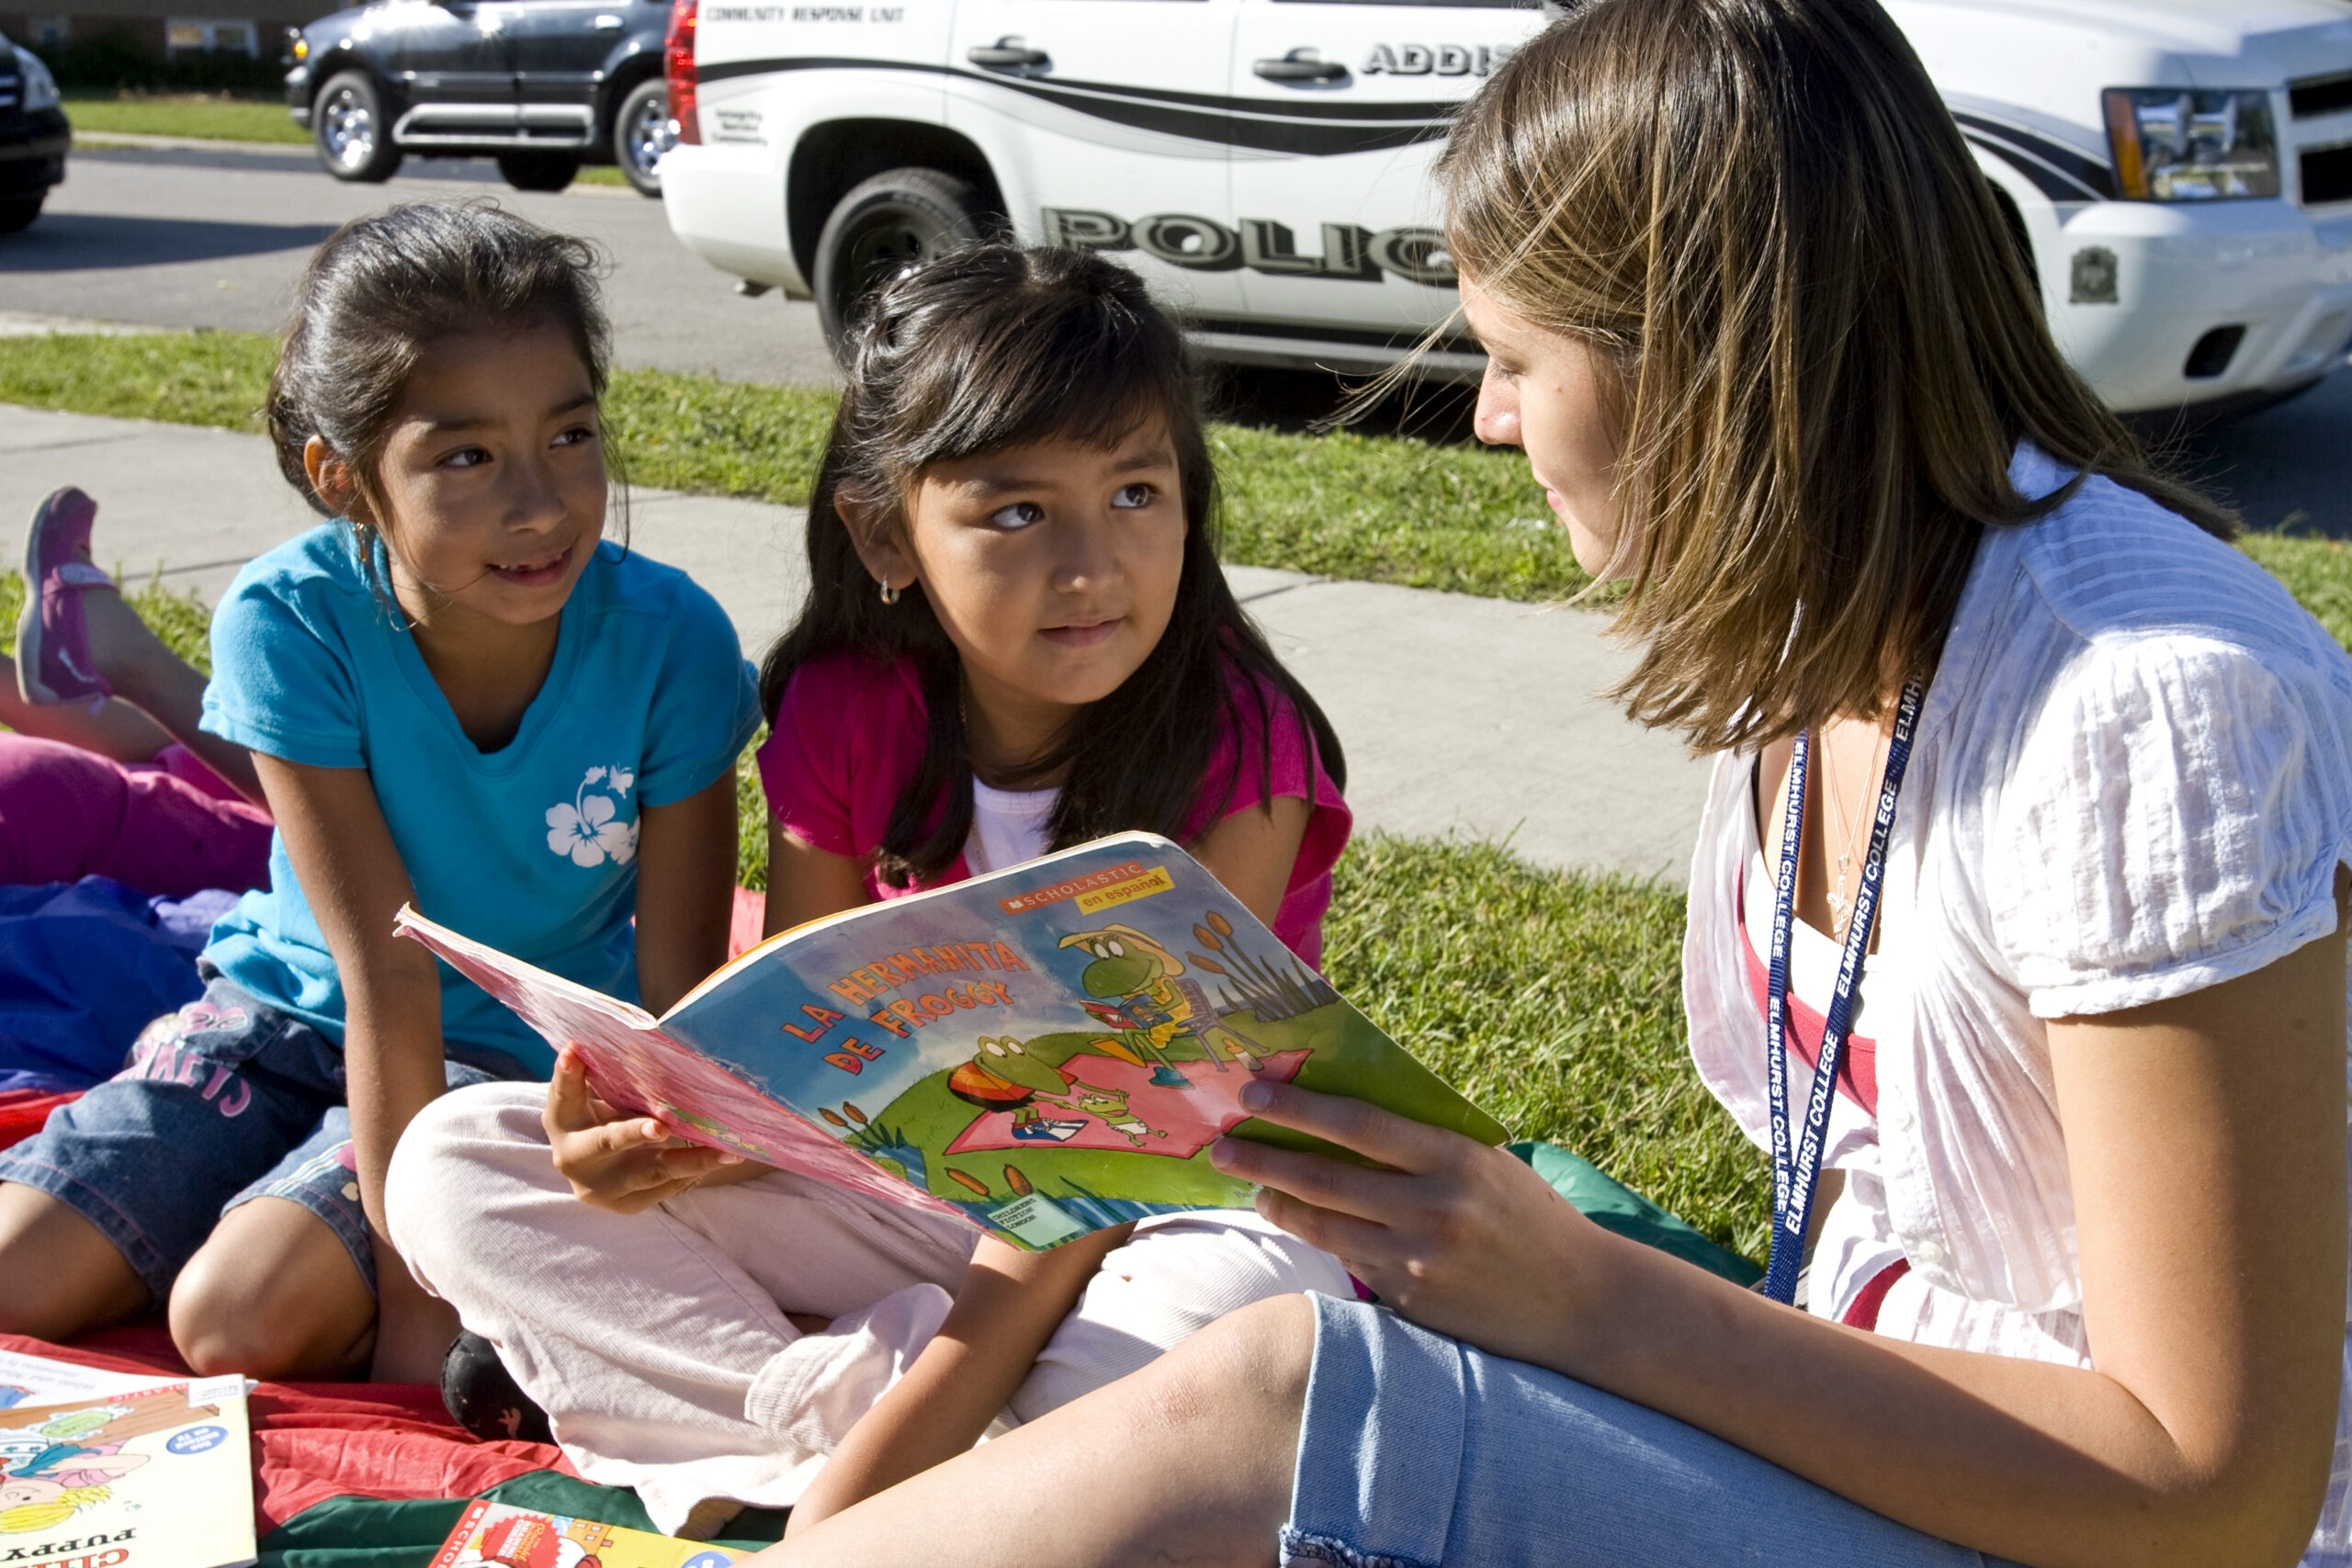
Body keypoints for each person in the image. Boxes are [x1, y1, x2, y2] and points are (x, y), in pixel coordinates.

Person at [726, 4, 2352, 1566]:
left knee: (1267, 1400)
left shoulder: (2142, 709)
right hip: (1873, 1437)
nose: (1491, 420)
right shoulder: (1830, 620)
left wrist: (1586, 1296)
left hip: (2068, 1526)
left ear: (1709, 363)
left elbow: (2210, 1494)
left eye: (1516, 356)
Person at [383, 243, 1358, 1538]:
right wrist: (671, 1134)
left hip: (1168, 1208)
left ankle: (829, 1436)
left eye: (1136, 490)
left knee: (1242, 1318)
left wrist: (892, 1450)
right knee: (453, 1162)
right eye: (1015, 512)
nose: (1091, 563)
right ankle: (943, 1447)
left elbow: (1114, 1163)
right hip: (920, 1198)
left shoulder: (1242, 743)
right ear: (888, 530)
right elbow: (811, 1048)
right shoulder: (848, 710)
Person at [0, 202, 761, 1386]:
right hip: (283, 1013)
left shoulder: (675, 644)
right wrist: (413, 1293)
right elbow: (383, 968)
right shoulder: (290, 618)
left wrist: (427, 1307)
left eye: (570, 435)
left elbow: (670, 999)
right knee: (19, 1270)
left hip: (506, 1065)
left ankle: (316, 1235)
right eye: (465, 456)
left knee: (233, 1318)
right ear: (343, 477)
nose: (542, 504)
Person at [1, 487, 273, 899]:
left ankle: (115, 662)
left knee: (163, 751)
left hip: (126, 791)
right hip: (183, 832)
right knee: (353, 818)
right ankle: (131, 664)